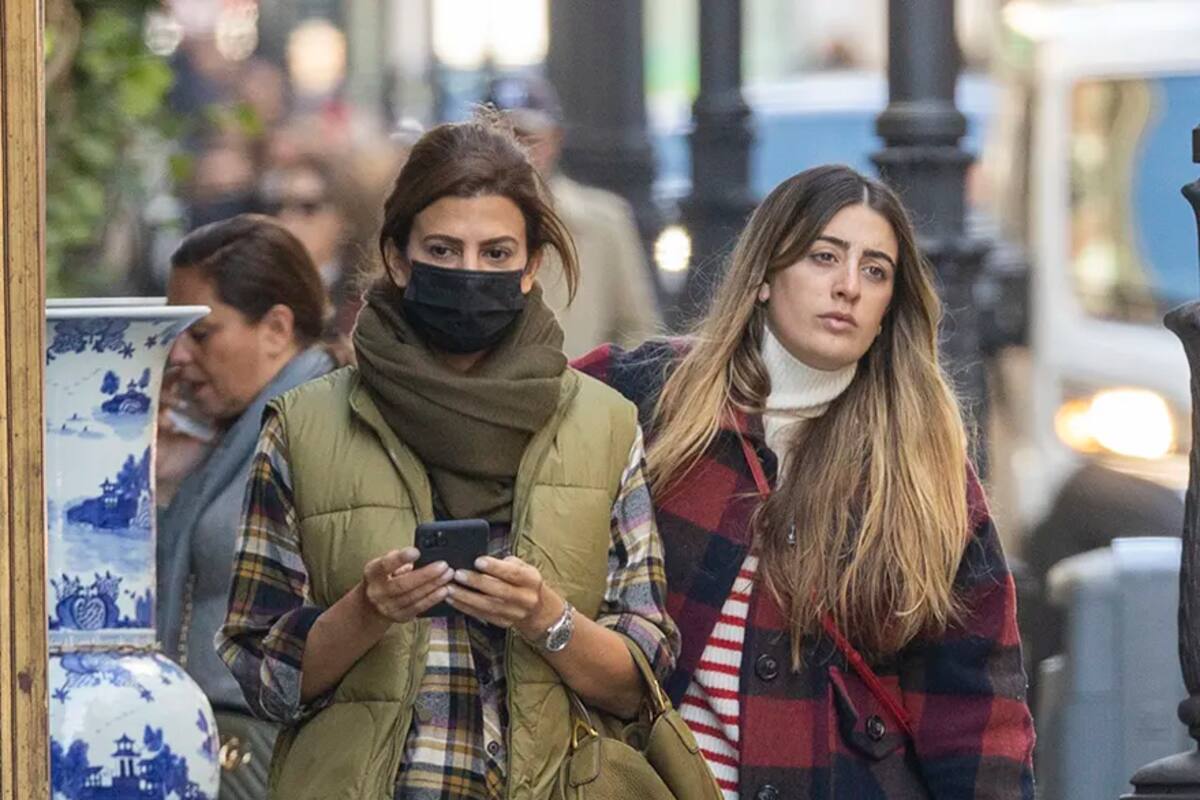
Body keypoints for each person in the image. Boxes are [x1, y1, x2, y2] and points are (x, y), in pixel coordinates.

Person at [215, 116, 679, 800]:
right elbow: (263, 673)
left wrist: (545, 617)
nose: (469, 272)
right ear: (399, 259)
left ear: (531, 267)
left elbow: (642, 674)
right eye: (443, 249)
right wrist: (367, 610)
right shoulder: (306, 424)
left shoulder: (603, 424)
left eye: (496, 254)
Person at [576, 165, 1036, 798]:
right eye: (824, 257)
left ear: (888, 309)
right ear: (765, 276)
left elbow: (976, 709)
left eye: (875, 270)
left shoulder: (921, 466)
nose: (847, 286)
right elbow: (511, 407)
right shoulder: (650, 396)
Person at [157, 214, 343, 799]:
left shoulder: (318, 431)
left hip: (261, 751)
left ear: (276, 328)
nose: (177, 356)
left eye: (200, 333)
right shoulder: (240, 433)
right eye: (173, 334)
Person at [484, 75, 662, 358]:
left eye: (528, 139)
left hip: (585, 393)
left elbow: (638, 331)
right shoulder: (461, 224)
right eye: (503, 139)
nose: (517, 153)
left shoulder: (605, 222)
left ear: (555, 139)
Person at [260, 153, 378, 335]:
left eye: (308, 207)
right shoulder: (254, 288)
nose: (288, 218)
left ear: (343, 218)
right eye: (278, 206)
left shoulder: (369, 298)